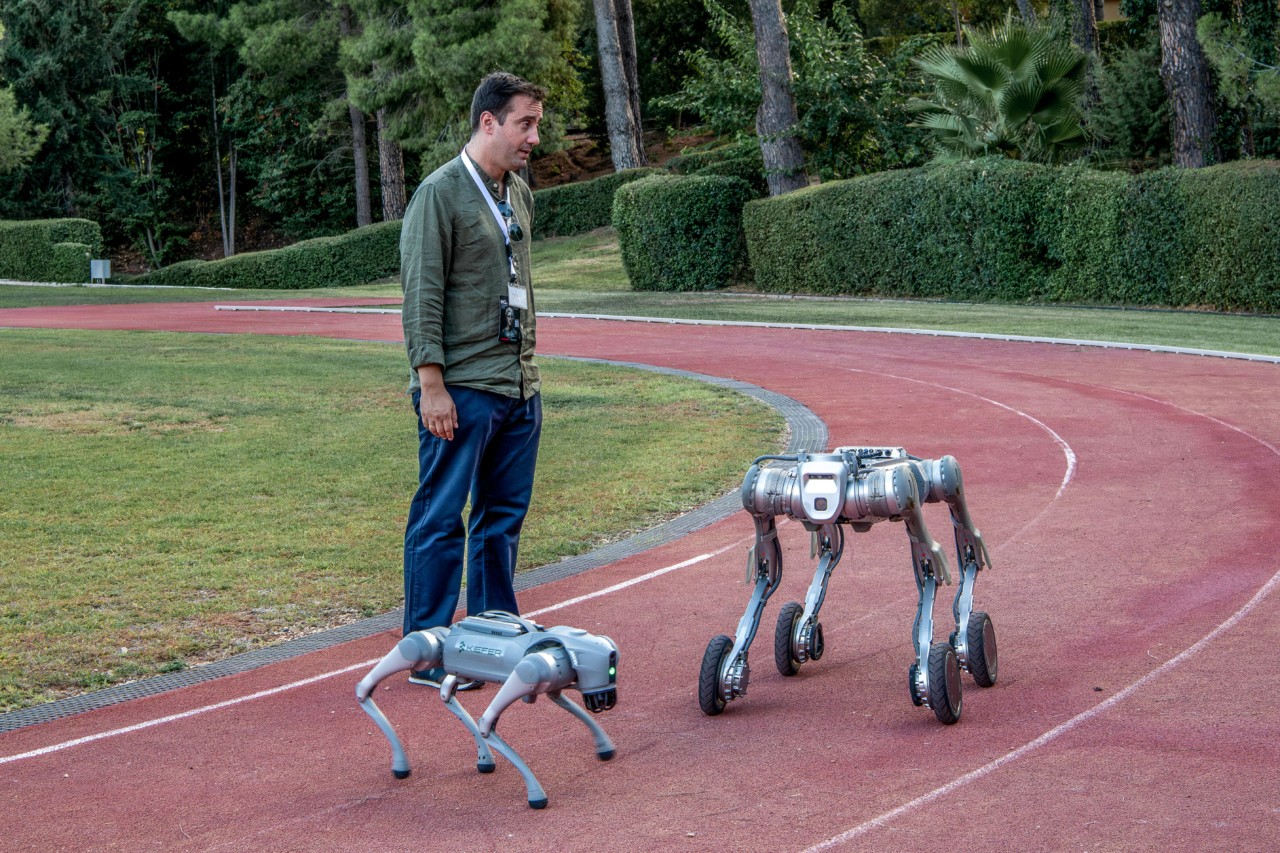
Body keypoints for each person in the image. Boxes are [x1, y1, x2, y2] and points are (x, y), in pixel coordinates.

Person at [399, 71, 546, 689]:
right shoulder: (439, 194)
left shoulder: (518, 193)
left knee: (501, 518)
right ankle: (427, 650)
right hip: (461, 389)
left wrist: (528, 376)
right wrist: (431, 385)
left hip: (517, 385)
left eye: (536, 124)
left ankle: (491, 637)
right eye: (525, 124)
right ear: (489, 122)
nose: (534, 137)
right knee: (441, 518)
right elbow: (422, 293)